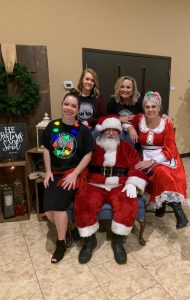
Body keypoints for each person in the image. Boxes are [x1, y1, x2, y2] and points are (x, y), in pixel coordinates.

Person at [74, 115, 146, 264]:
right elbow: (82, 164)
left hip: (120, 184)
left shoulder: (126, 148)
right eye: (108, 130)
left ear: (119, 132)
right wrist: (81, 181)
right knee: (83, 202)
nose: (111, 133)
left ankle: (118, 242)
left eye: (115, 130)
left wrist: (133, 182)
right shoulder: (92, 146)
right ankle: (89, 242)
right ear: (102, 131)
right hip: (95, 183)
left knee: (127, 204)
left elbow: (136, 165)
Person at [42, 92, 93, 263]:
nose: (69, 108)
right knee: (48, 211)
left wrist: (74, 173)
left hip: (73, 173)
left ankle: (61, 243)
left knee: (58, 207)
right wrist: (48, 171)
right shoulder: (52, 126)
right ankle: (69, 231)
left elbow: (88, 155)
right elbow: (47, 150)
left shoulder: (83, 130)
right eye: (66, 104)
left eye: (73, 106)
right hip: (54, 172)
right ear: (62, 105)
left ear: (78, 109)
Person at [127, 91, 190, 229]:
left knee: (162, 171)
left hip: (165, 155)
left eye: (153, 107)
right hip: (146, 155)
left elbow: (171, 148)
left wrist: (153, 161)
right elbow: (123, 119)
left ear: (159, 108)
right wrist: (131, 128)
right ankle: (164, 206)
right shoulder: (139, 119)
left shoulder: (166, 123)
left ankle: (178, 211)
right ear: (144, 108)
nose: (150, 110)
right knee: (158, 172)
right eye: (147, 107)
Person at [71, 68, 107, 136]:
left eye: (92, 80)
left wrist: (89, 122)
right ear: (82, 80)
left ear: (94, 83)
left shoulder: (99, 98)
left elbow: (103, 117)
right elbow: (69, 114)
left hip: (93, 130)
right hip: (76, 127)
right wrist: (79, 125)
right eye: (87, 79)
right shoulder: (74, 97)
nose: (89, 82)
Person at [107, 76, 143, 142]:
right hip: (117, 129)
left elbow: (147, 115)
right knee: (119, 135)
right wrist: (118, 119)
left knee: (131, 137)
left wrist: (163, 117)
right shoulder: (113, 100)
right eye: (122, 86)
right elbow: (106, 118)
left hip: (134, 130)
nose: (125, 90)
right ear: (118, 88)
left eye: (128, 87)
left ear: (133, 89)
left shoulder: (139, 101)